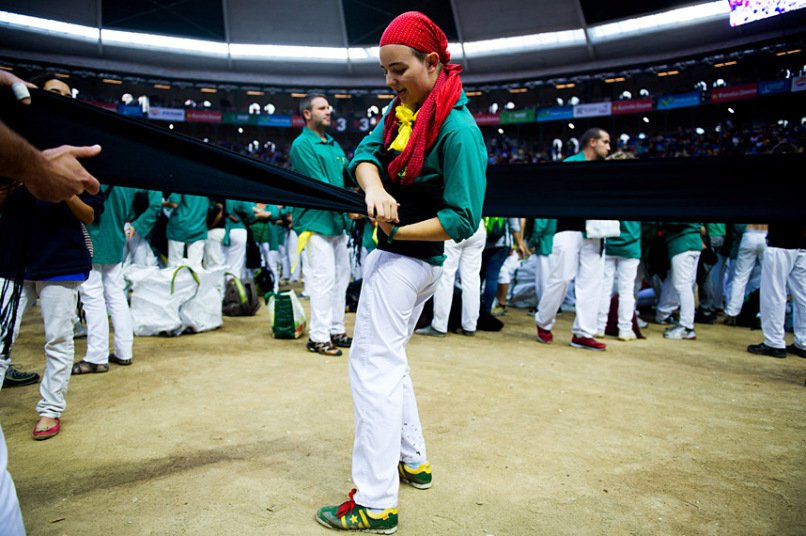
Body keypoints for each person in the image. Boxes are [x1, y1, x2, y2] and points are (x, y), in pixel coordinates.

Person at [315, 12, 486, 533]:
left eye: (398, 70)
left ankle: (375, 502)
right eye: (385, 72)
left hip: (408, 263)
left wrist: (397, 231)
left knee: (371, 368)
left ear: (432, 63)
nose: (390, 82)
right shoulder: (402, 110)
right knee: (390, 363)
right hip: (403, 263)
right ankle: (413, 460)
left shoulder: (457, 129)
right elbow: (364, 155)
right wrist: (375, 190)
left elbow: (463, 218)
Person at [0, 71, 102, 535]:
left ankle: (50, 409)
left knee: (58, 339)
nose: (51, 99)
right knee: (2, 340)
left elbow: (90, 213)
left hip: (60, 258)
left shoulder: (78, 146)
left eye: (60, 95)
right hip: (12, 256)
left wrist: (57, 185)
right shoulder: (13, 136)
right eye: (46, 92)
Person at [534, 127, 611, 351]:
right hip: (568, 227)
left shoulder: (608, 170)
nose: (609, 147)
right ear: (592, 142)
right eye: (605, 142)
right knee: (561, 278)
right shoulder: (569, 164)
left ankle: (584, 333)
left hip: (596, 231)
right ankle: (543, 322)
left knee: (592, 282)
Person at [289, 94, 353, 357]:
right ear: (307, 114)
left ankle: (336, 329)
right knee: (322, 280)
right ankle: (318, 337)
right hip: (315, 222)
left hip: (337, 222)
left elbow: (347, 177)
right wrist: (353, 205)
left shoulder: (334, 145)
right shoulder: (302, 144)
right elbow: (321, 185)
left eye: (329, 107)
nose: (329, 111)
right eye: (322, 108)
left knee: (341, 279)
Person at [415, 218, 485, 337]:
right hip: (477, 224)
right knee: (472, 278)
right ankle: (470, 326)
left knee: (445, 277)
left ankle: (439, 326)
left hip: (455, 223)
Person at [747, 222, 806, 358]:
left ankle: (774, 342)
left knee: (773, 292)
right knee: (802, 295)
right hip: (801, 241)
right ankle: (803, 342)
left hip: (782, 239)